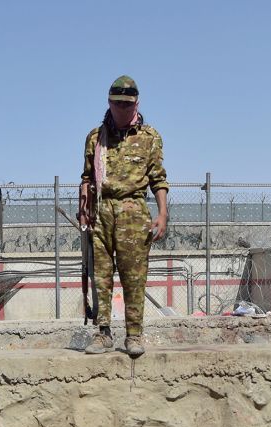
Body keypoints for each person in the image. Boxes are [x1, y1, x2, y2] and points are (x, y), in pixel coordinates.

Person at [79, 75, 169, 358]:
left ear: (136, 104)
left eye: (127, 104)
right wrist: (84, 207)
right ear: (109, 102)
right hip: (102, 211)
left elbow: (158, 179)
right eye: (117, 104)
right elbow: (86, 177)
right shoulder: (96, 138)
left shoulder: (149, 138)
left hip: (134, 210)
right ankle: (103, 333)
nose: (122, 109)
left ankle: (133, 334)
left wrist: (162, 213)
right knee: (101, 275)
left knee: (134, 277)